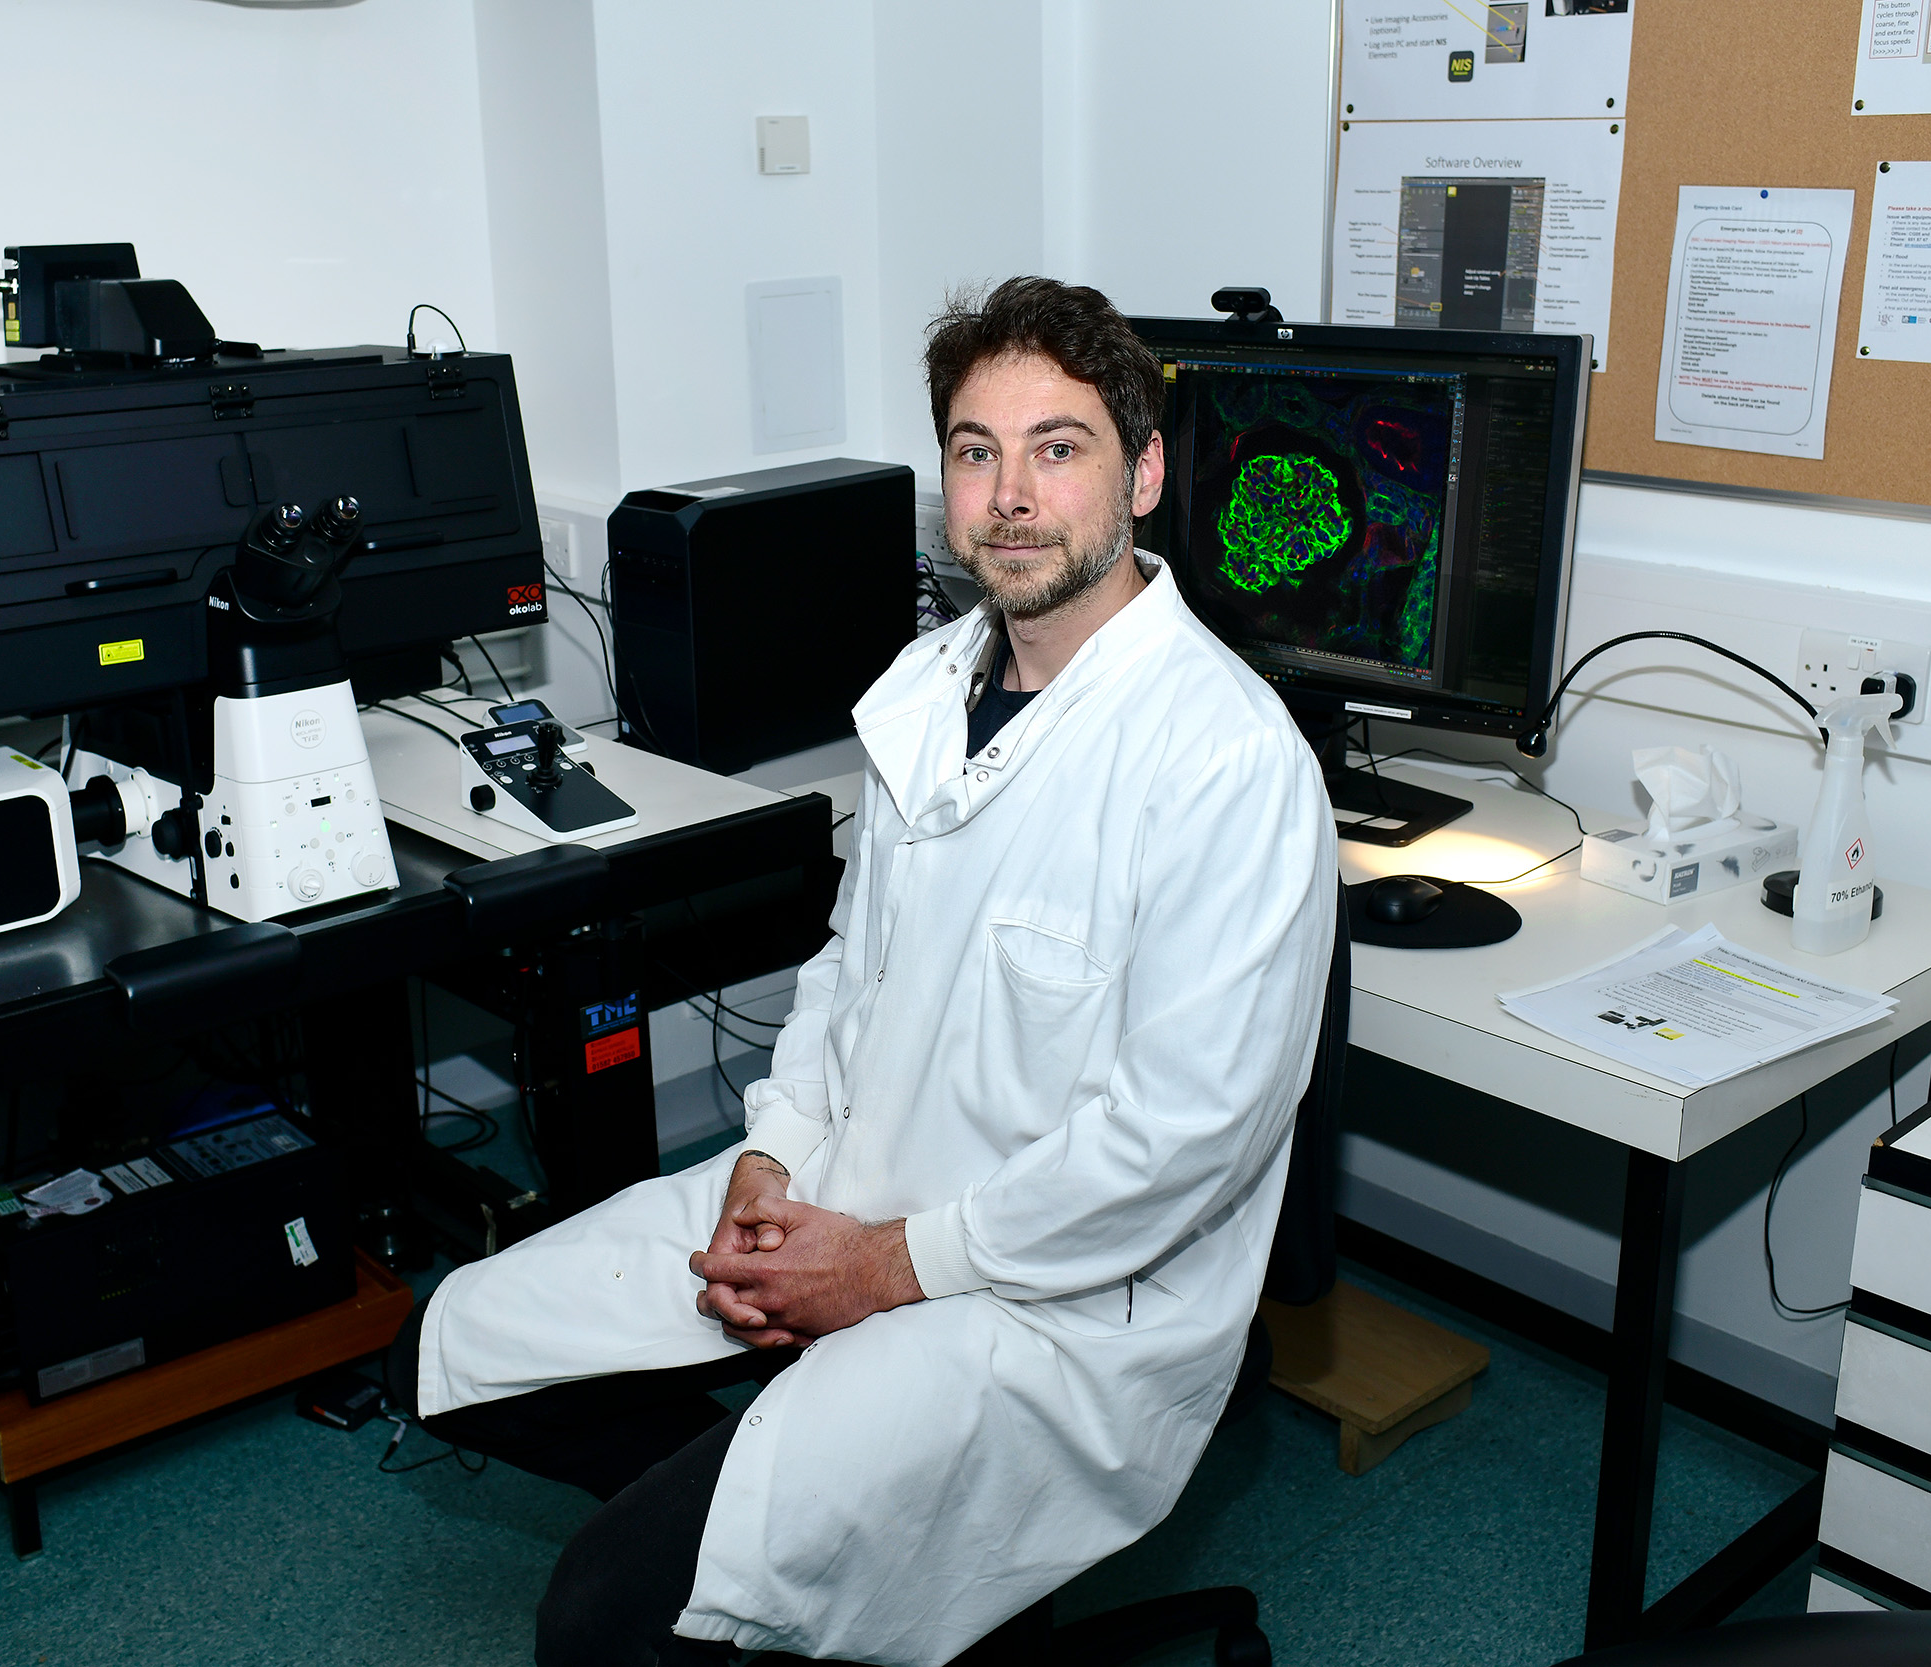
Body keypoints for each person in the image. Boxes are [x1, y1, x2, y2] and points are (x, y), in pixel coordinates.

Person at [398, 276, 1335, 1666]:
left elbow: (1179, 1142)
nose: (1010, 493)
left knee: (602, 1622)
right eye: (975, 450)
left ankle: (787, 1545)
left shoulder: (1225, 761)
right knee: (458, 1344)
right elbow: (850, 966)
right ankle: (798, 1544)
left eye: (1058, 447)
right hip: (852, 1182)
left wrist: (884, 1270)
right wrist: (773, 1158)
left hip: (1055, 1304)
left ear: (1142, 474)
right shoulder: (934, 683)